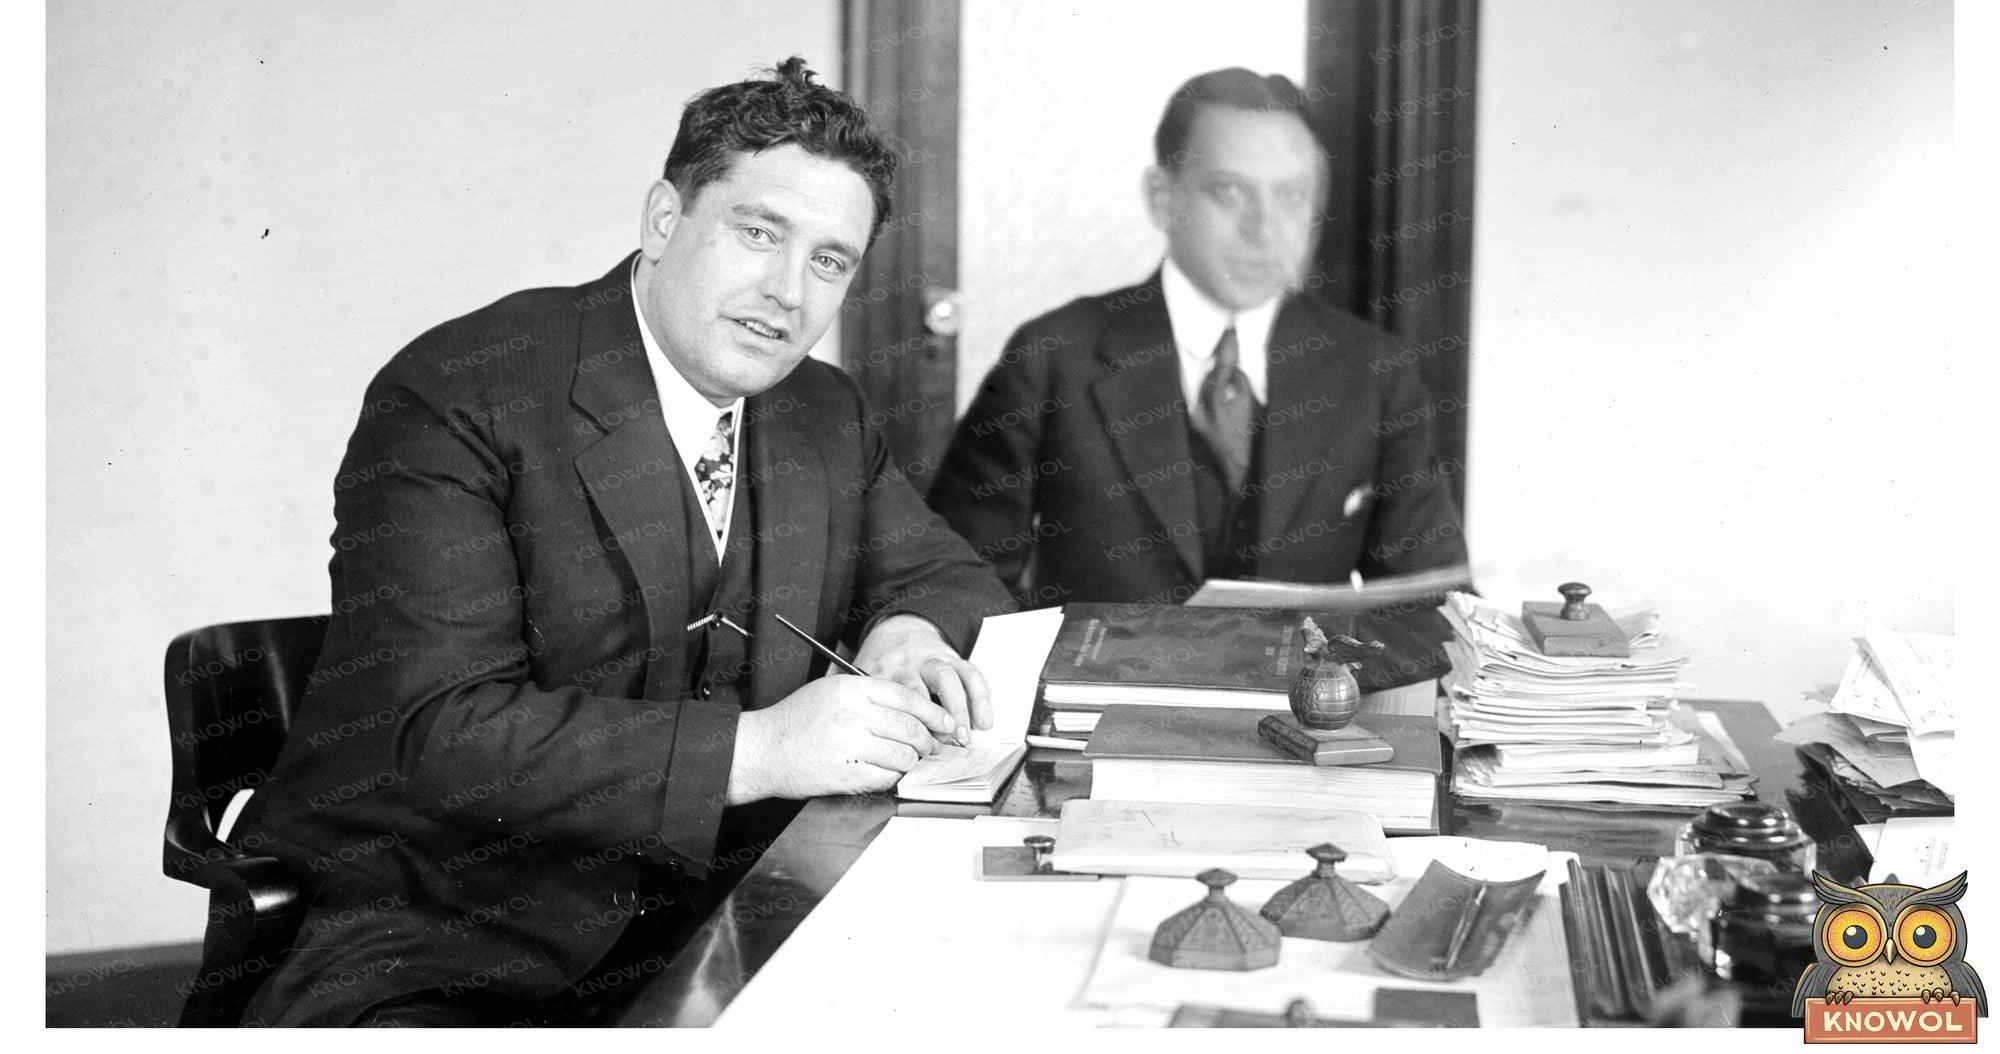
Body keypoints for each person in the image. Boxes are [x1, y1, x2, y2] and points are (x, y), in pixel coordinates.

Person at [236, 58, 1013, 1026]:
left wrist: (910, 631)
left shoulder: (821, 410)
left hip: (722, 921)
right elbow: (441, 733)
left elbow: (948, 574)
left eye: (828, 261)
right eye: (758, 233)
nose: (786, 293)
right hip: (452, 937)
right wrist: (760, 749)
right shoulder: (461, 393)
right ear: (661, 220)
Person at [927, 67, 1467, 639]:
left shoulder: (1375, 372)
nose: (1263, 229)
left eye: (1290, 195)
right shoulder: (1053, 358)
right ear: (1162, 199)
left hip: (1300, 719)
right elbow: (958, 580)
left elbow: (1429, 603)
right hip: (1095, 715)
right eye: (1229, 191)